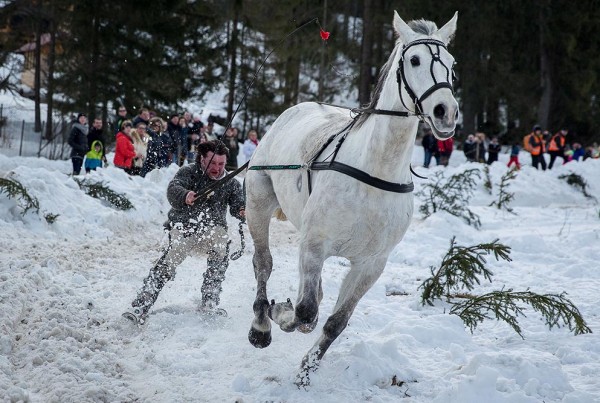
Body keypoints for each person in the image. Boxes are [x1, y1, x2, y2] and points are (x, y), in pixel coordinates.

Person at [124, 140, 246, 324]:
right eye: (213, 163)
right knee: (173, 255)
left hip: (213, 232)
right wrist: (185, 195)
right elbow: (173, 189)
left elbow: (238, 204)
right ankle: (142, 303)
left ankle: (210, 300)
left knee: (221, 244)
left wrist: (242, 210)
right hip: (184, 227)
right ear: (202, 159)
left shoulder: (231, 182)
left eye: (221, 164)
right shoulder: (189, 172)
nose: (217, 168)